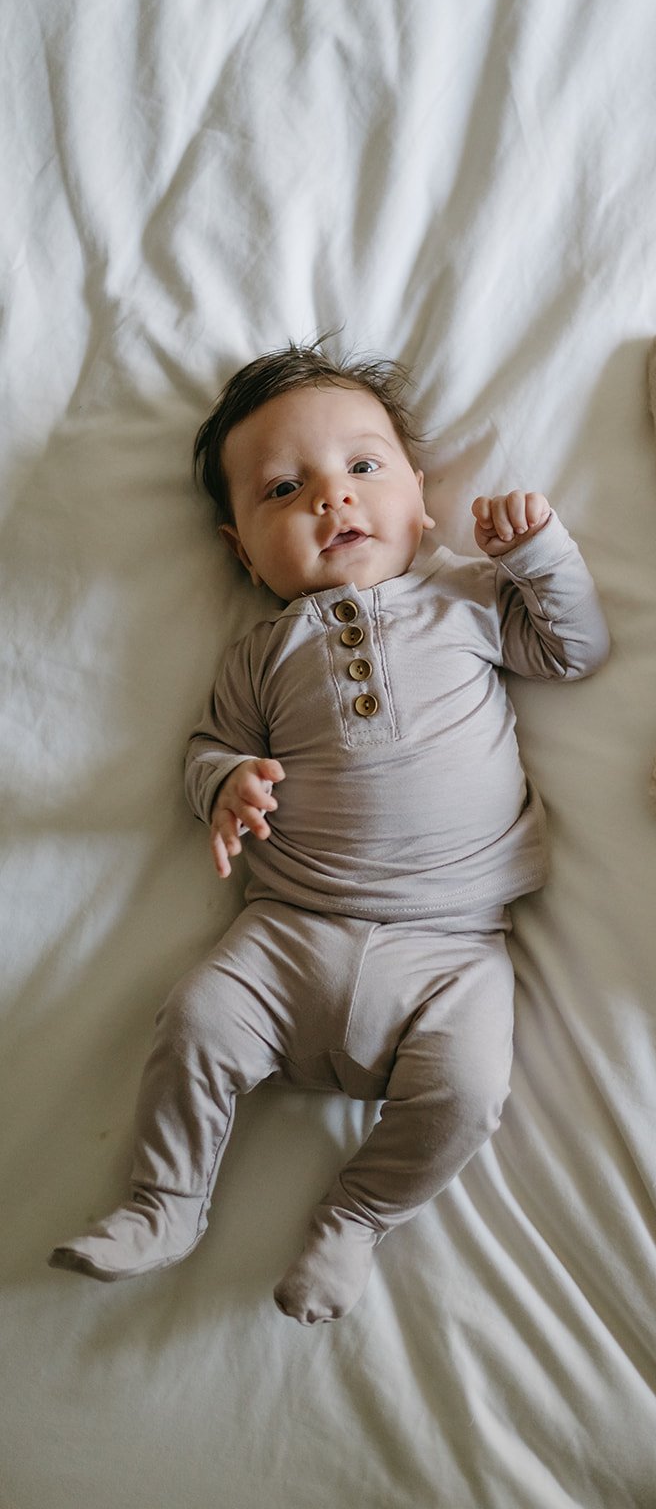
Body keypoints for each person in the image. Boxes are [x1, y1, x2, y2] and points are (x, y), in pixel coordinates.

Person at [49, 344, 609, 1324]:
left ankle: (354, 1217)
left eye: (362, 467)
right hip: (287, 930)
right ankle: (164, 1202)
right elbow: (205, 746)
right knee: (195, 1020)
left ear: (419, 495)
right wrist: (227, 784)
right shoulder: (262, 651)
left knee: (468, 1090)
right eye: (282, 488)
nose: (331, 500)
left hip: (451, 946)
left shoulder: (467, 599)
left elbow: (574, 648)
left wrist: (538, 555)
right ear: (241, 550)